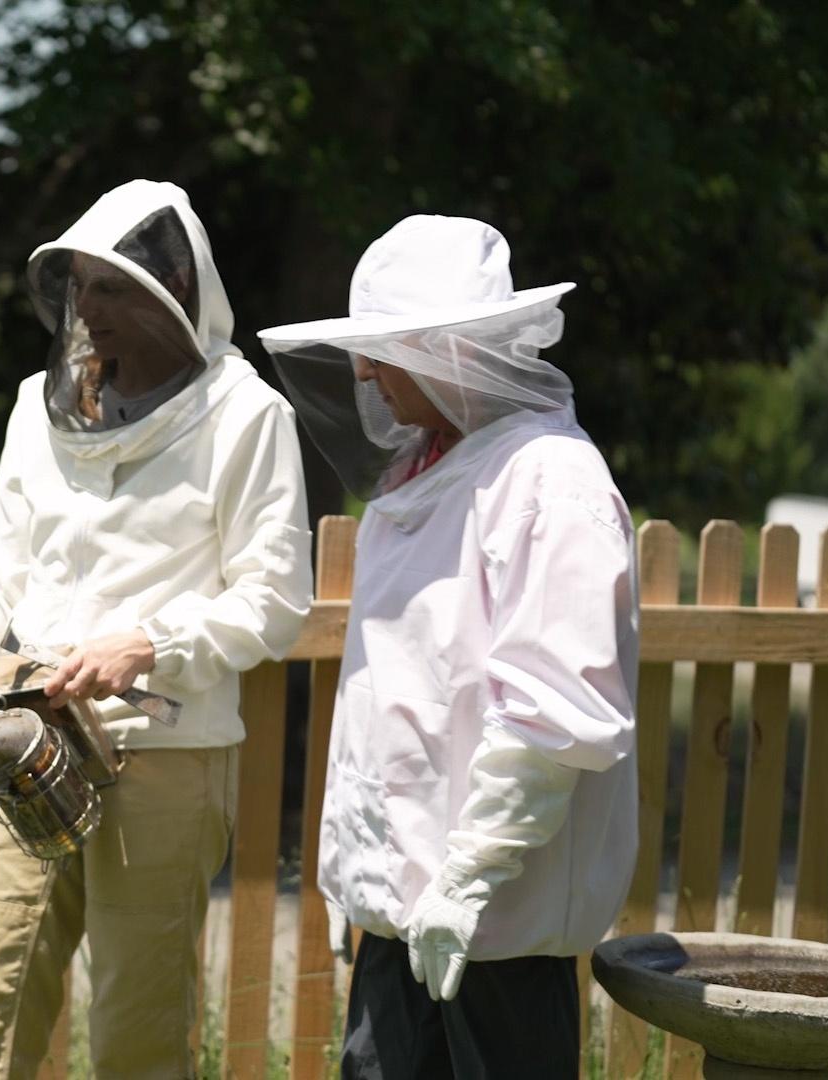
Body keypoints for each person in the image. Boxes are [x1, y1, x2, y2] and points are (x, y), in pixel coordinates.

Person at [0, 179, 314, 1078]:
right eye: (79, 287)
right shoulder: (35, 415)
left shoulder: (248, 418)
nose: (90, 307)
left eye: (113, 287)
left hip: (167, 757)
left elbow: (272, 600)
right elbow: (2, 582)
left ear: (176, 294)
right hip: (31, 749)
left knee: (138, 1034)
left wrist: (149, 643)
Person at [259, 214, 639, 1079]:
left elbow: (558, 714)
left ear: (447, 351)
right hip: (404, 909)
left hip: (496, 924)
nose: (361, 372)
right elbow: (395, 699)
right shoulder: (426, 471)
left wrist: (470, 876)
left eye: (382, 350)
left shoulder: (550, 483)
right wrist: (361, 865)